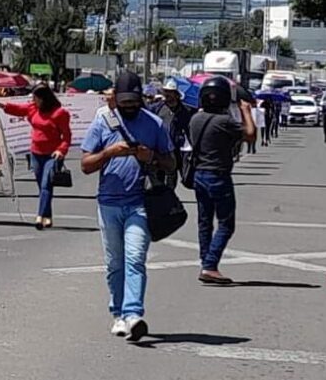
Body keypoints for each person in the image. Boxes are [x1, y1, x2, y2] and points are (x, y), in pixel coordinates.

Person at [80, 72, 176, 342]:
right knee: (114, 263)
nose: (129, 106)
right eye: (124, 102)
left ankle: (133, 314)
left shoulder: (155, 123)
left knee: (134, 259)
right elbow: (85, 165)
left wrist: (152, 157)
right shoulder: (103, 121)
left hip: (140, 203)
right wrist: (110, 152)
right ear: (115, 101)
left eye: (134, 101)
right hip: (108, 202)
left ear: (142, 99)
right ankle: (119, 314)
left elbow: (171, 164)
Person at [189, 77, 256, 284]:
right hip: (217, 175)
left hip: (199, 174)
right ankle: (210, 265)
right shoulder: (225, 122)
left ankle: (205, 261)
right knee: (226, 224)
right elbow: (251, 135)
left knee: (204, 221)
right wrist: (245, 110)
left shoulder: (195, 119)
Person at [1, 85, 72, 230]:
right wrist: (3, 106)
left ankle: (39, 216)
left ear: (44, 98)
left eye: (36, 98)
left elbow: (67, 136)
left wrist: (61, 150)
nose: (33, 101)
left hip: (52, 155)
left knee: (46, 184)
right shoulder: (33, 108)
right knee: (42, 186)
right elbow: (19, 109)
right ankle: (48, 216)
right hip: (36, 153)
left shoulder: (60, 113)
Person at [151, 80, 195, 187]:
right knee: (158, 177)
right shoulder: (157, 108)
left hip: (177, 148)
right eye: (166, 91)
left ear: (176, 94)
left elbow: (190, 129)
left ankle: (170, 196)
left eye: (170, 92)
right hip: (160, 147)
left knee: (173, 175)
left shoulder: (186, 111)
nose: (167, 94)